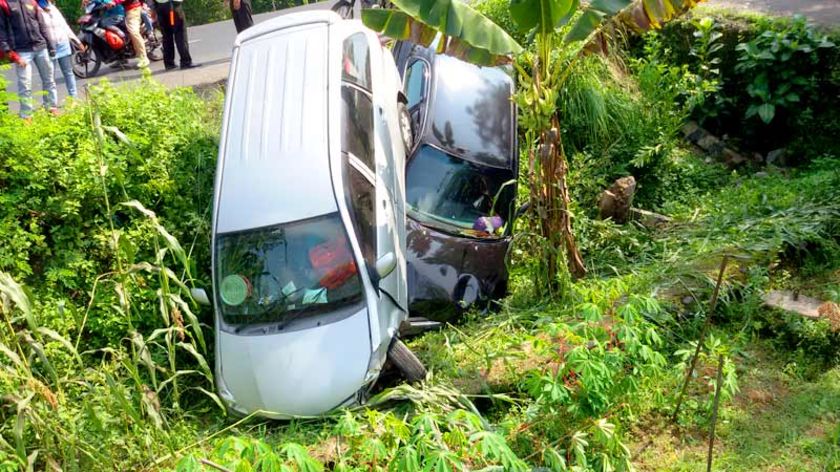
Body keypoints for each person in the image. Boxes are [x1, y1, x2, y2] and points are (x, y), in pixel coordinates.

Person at [0, 0, 58, 119]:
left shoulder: (32, 1)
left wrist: (50, 45)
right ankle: (26, 116)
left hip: (41, 47)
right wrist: (10, 53)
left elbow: (42, 24)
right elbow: (1, 31)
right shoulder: (4, 4)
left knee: (49, 80)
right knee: (25, 85)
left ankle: (51, 107)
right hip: (21, 51)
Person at [39, 0, 79, 100]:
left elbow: (64, 25)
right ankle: (50, 103)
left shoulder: (53, 8)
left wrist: (76, 40)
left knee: (68, 72)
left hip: (63, 43)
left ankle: (74, 98)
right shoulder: (37, 9)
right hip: (49, 47)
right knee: (49, 77)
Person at [152, 0, 198, 70]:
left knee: (166, 35)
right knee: (180, 33)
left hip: (160, 6)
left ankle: (169, 63)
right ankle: (185, 61)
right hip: (173, 5)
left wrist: (153, 8)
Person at [115, 0, 147, 68]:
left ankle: (144, 58)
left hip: (133, 9)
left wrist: (116, 1)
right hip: (124, 10)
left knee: (134, 32)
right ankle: (121, 58)